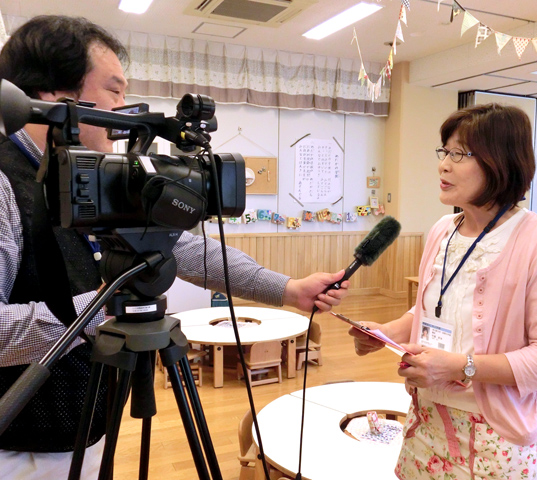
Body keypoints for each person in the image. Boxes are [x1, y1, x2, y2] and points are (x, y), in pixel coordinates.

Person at [0, 15, 349, 479]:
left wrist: (288, 289)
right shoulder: (5, 181)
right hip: (21, 448)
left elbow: (185, 250)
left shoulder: (102, 174)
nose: (126, 108)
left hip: (89, 431)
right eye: (115, 90)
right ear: (52, 98)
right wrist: (100, 312)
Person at [350, 103, 537, 479]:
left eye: (459, 154)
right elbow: (435, 310)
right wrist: (389, 332)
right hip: (425, 416)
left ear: (499, 162)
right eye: (445, 152)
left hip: (495, 433)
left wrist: (459, 367)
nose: (443, 165)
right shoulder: (442, 230)